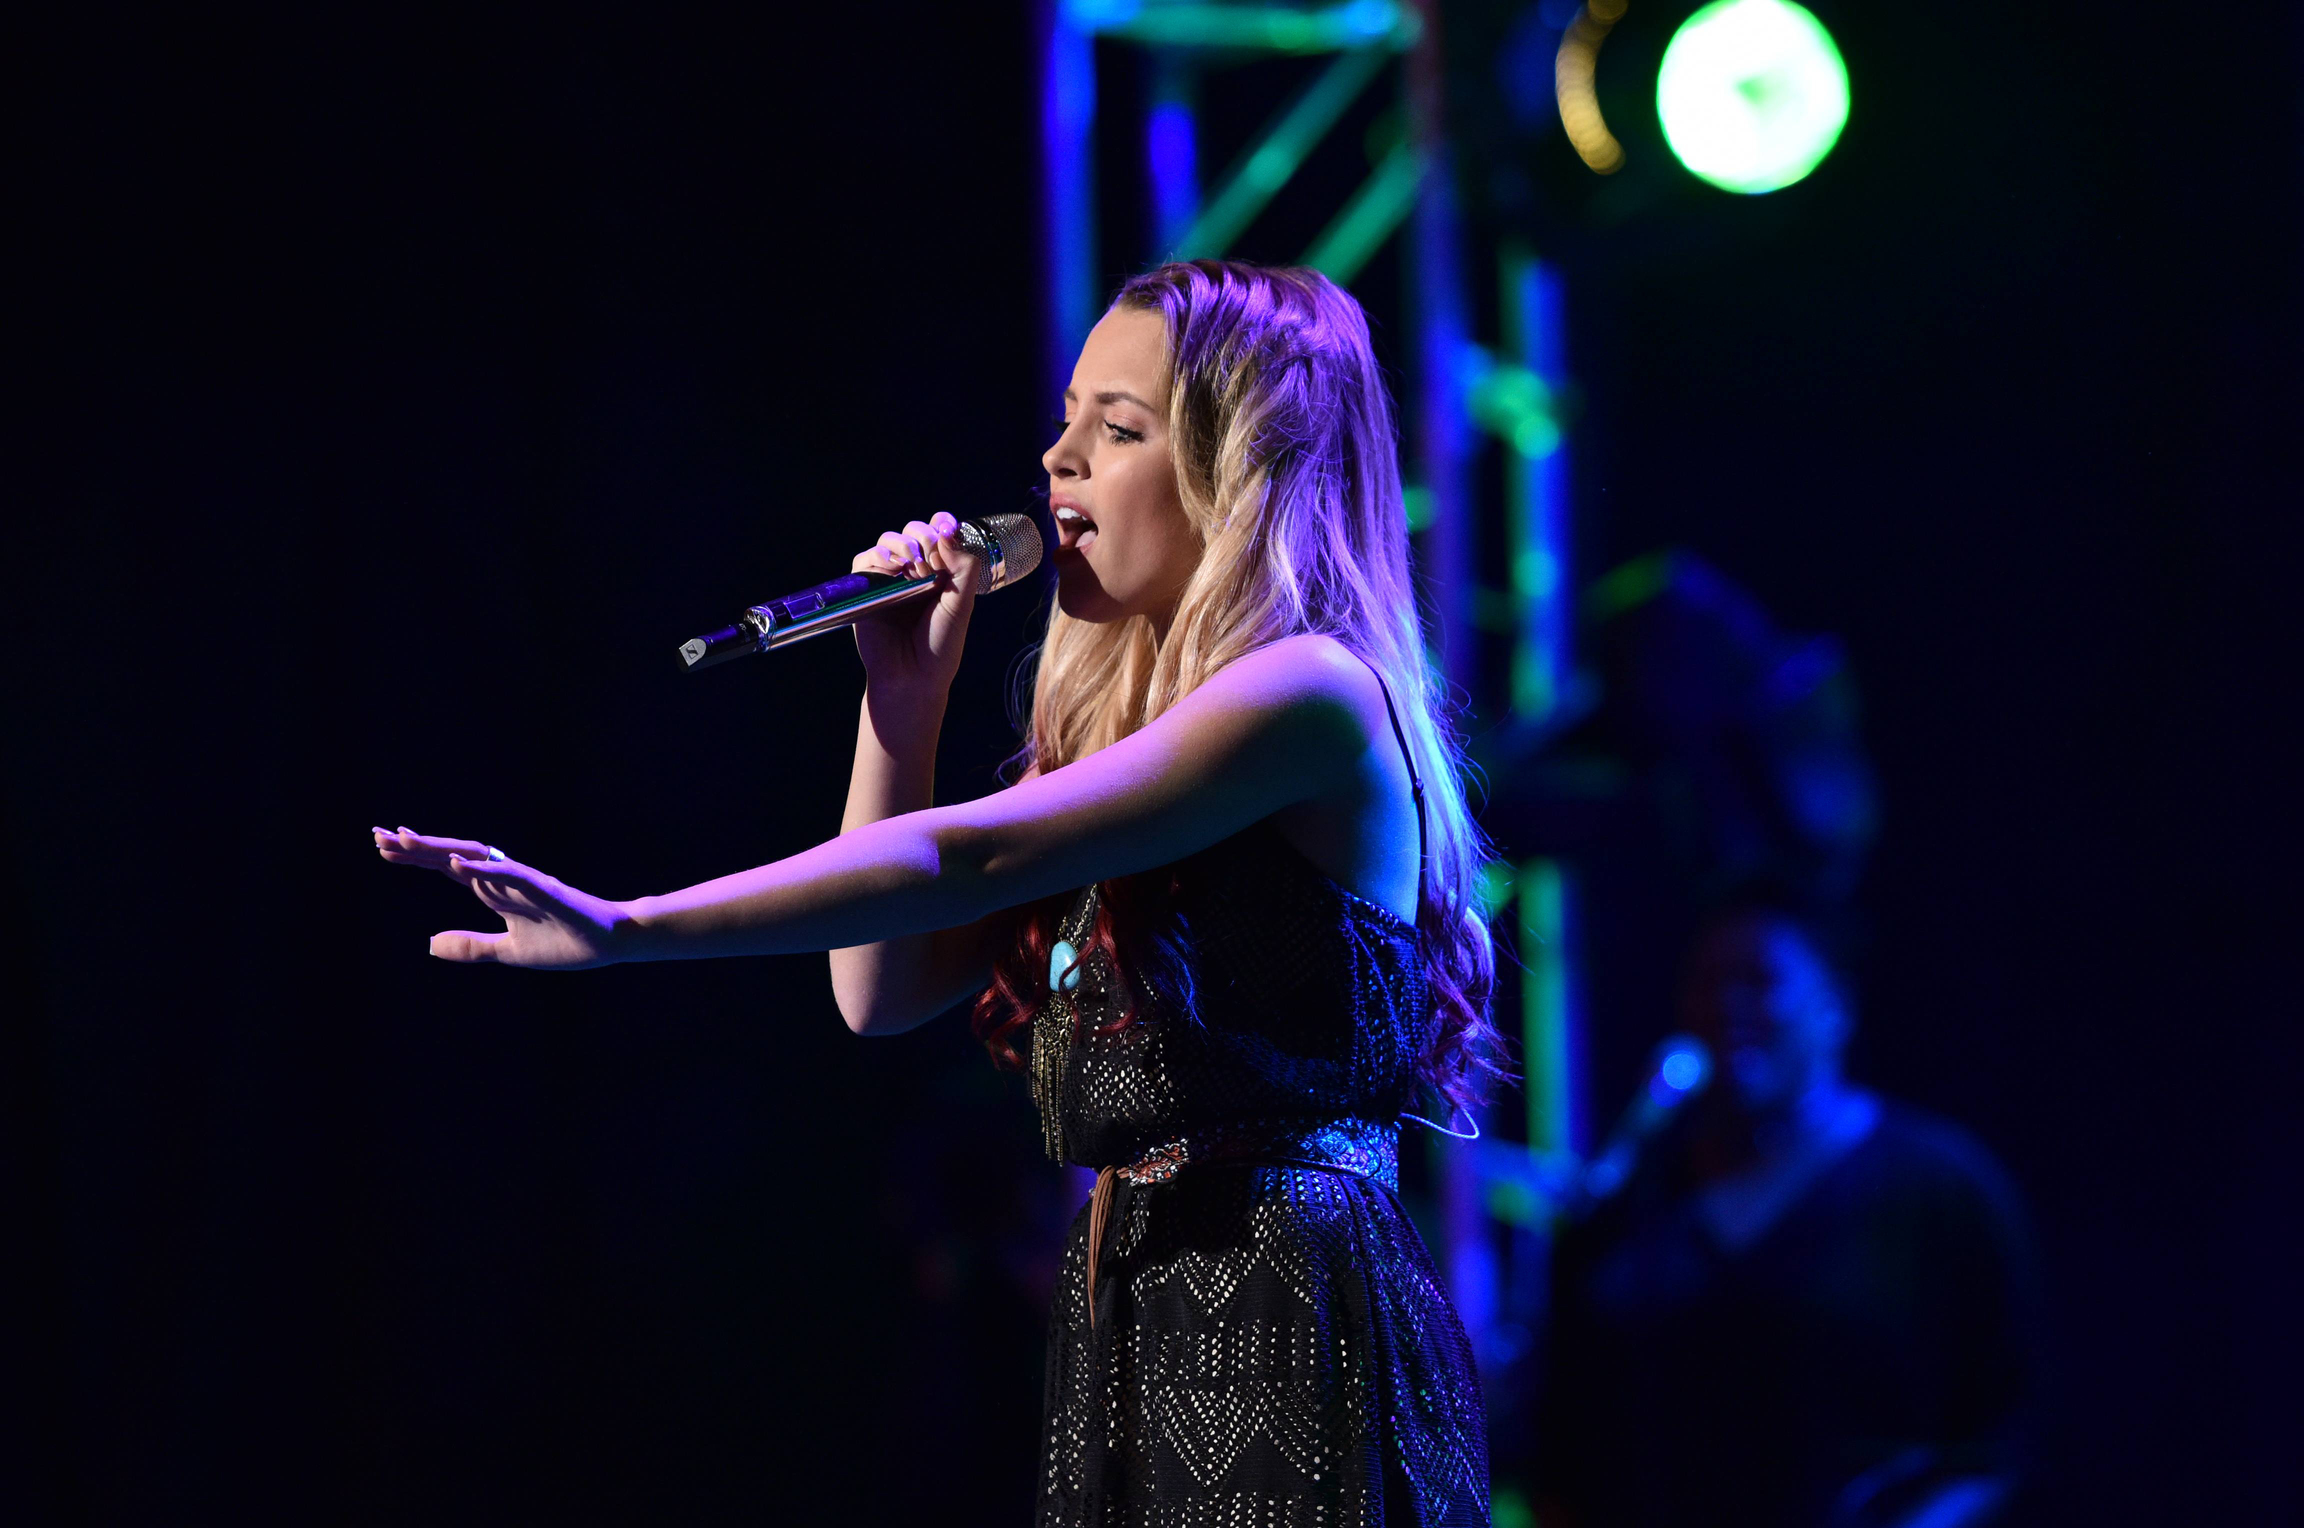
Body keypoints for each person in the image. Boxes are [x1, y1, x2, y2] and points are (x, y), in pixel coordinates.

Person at [376, 261, 1498, 1525]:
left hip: (1289, 1321)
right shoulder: (1117, 751)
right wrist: (900, 709)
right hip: (1136, 1318)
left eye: (1119, 429)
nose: (1058, 458)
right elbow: (878, 990)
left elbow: (969, 858)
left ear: (1240, 475)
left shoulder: (1312, 693)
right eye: (1067, 418)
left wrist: (629, 927)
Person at [1532, 897, 2041, 1528]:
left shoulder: (1939, 1191)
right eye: (1707, 982)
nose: (1726, 1005)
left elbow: (2002, 1440)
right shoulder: (1626, 1211)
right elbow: (1566, 1452)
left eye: (1759, 979)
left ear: (1835, 1008)